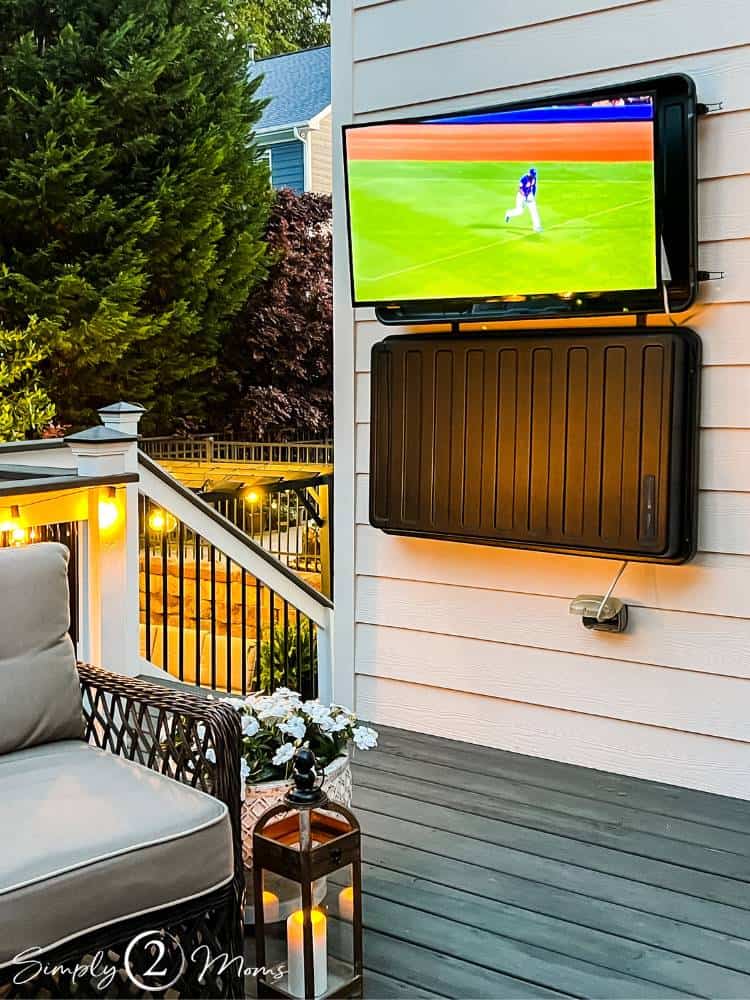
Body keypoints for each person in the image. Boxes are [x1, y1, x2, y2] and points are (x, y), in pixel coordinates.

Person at [504, 166, 542, 232]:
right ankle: (508, 214)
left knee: (534, 211)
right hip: (521, 196)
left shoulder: (534, 179)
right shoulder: (524, 178)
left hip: (529, 196)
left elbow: (534, 187)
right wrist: (524, 196)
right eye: (533, 175)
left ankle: (537, 227)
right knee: (519, 211)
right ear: (530, 173)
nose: (534, 176)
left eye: (534, 175)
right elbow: (519, 188)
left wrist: (533, 195)